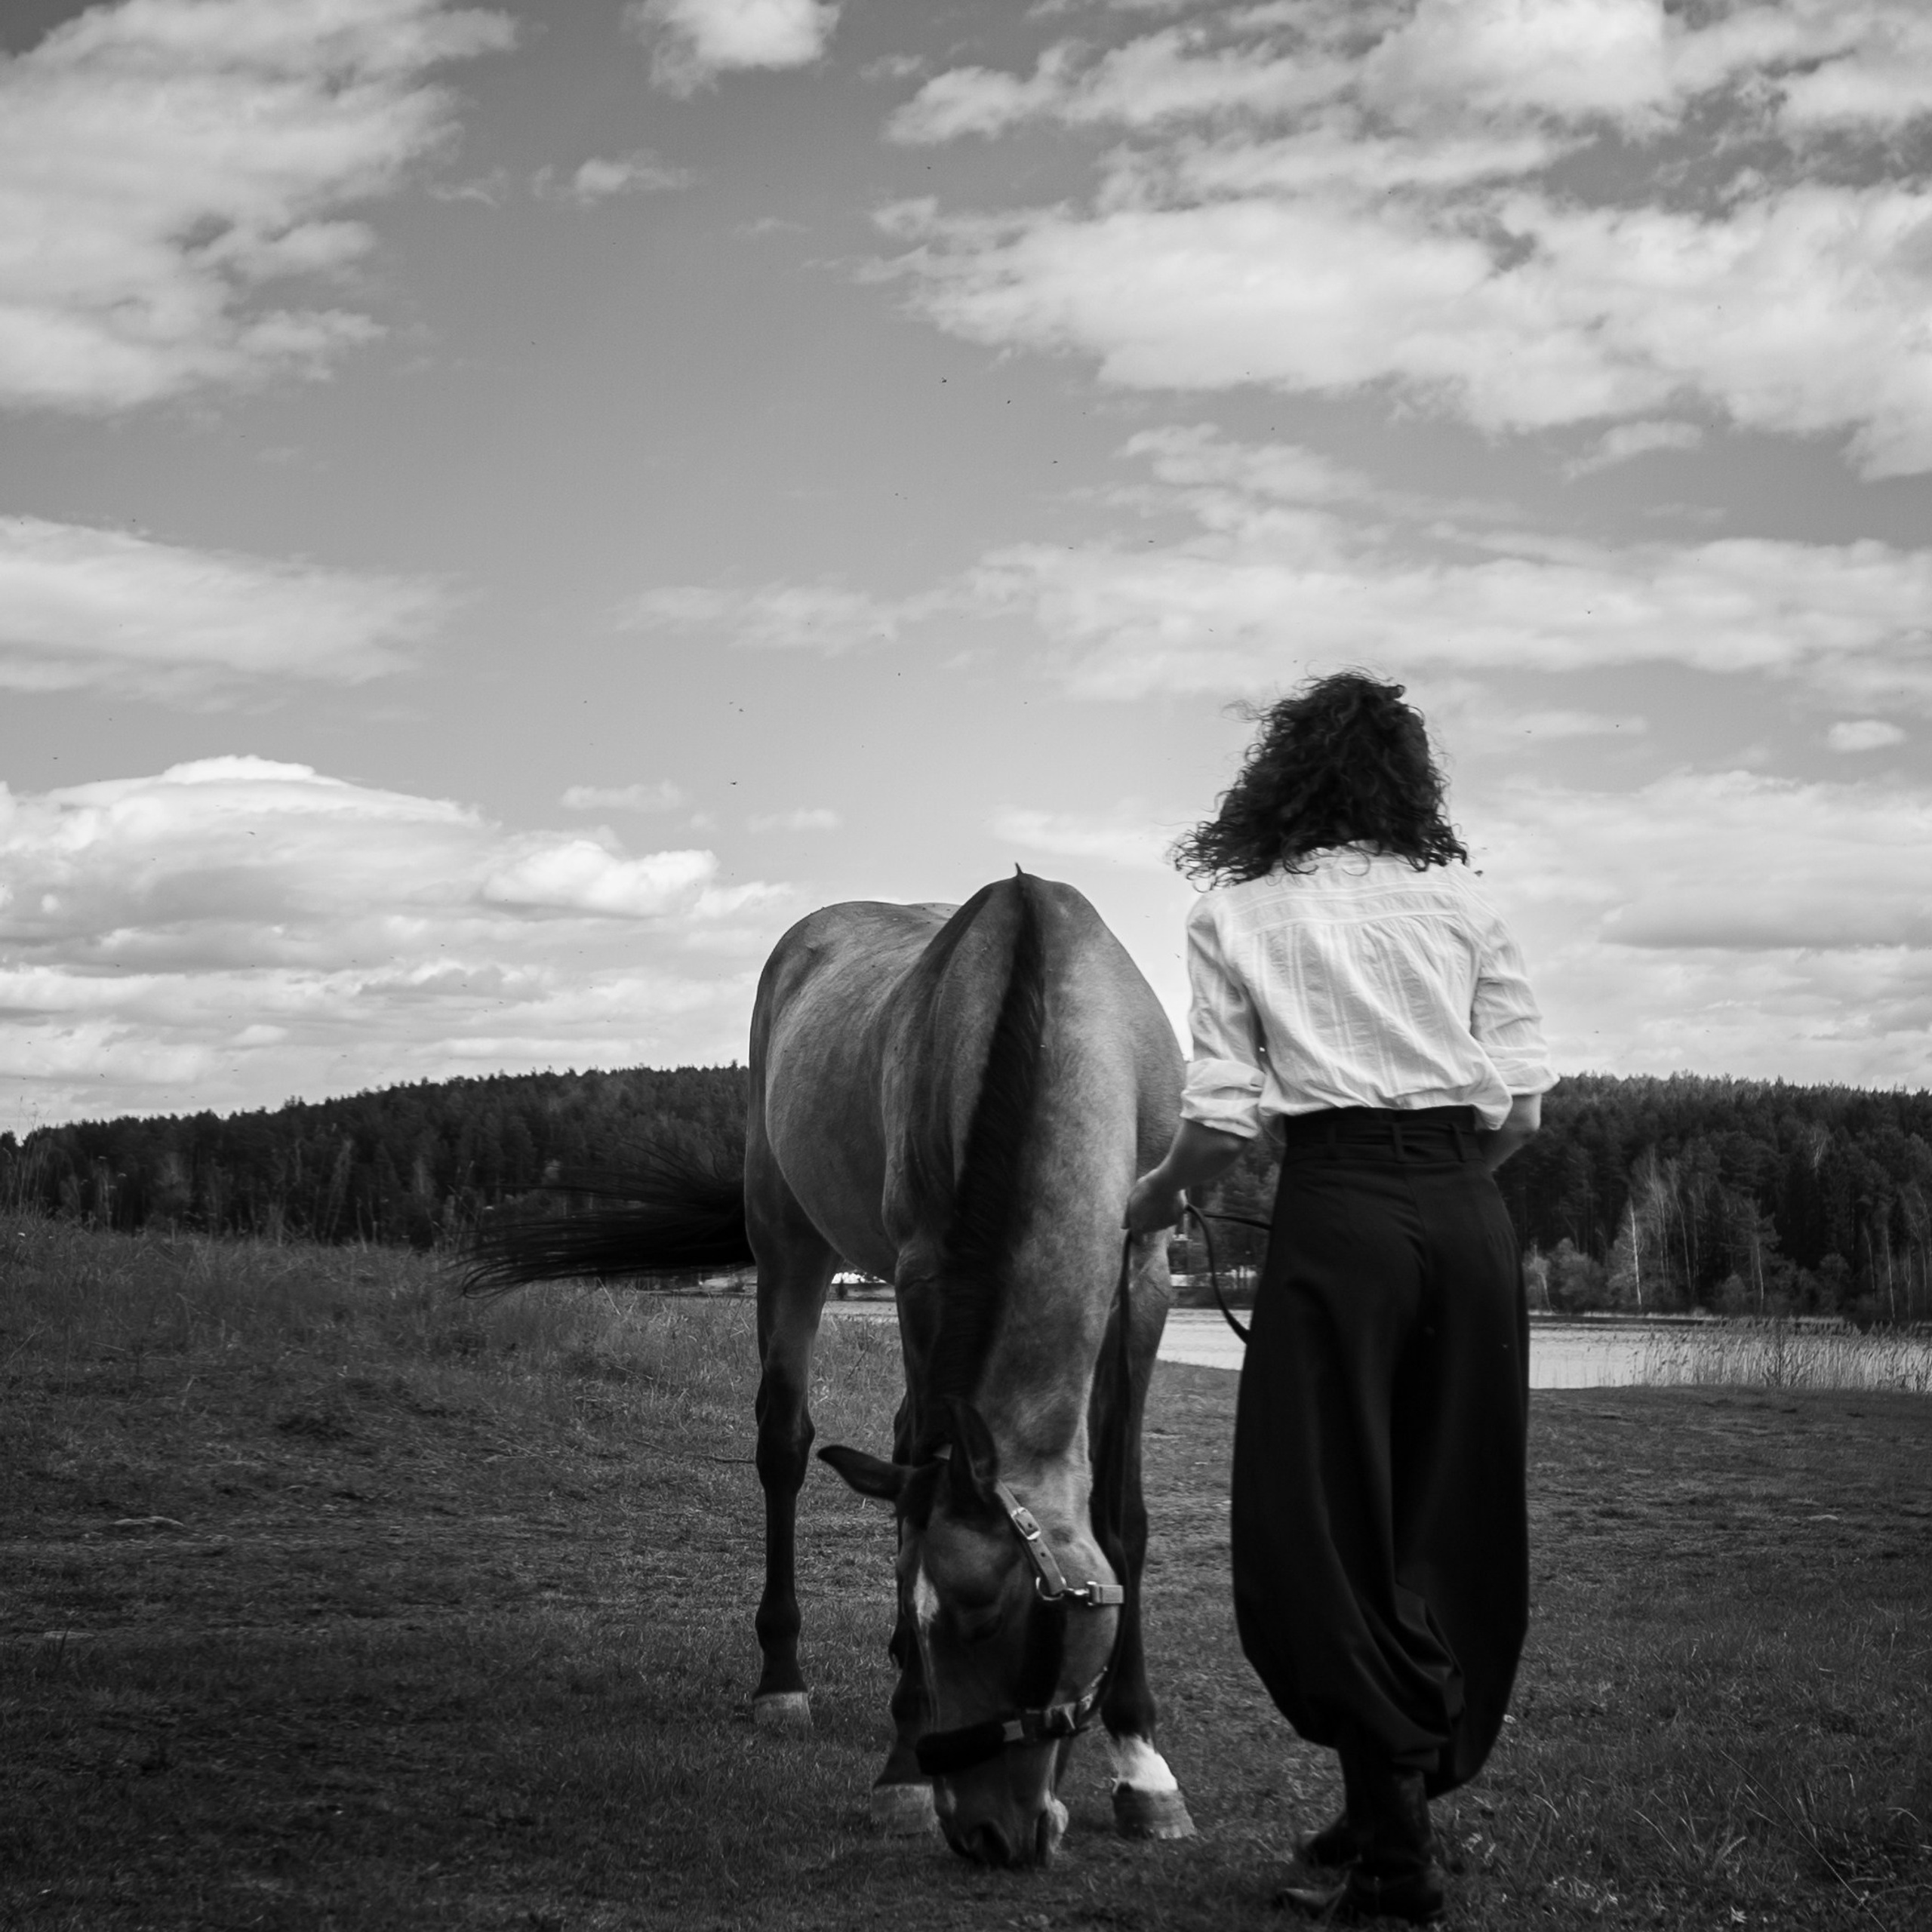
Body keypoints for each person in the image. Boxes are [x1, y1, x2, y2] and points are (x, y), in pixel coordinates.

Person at [1125, 672, 1554, 1924]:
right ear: (1408, 781)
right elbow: (1521, 1110)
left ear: (1278, 779)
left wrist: (1148, 1204)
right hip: (1469, 1220)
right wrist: (1441, 1189)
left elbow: (1218, 1124)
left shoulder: (1236, 913)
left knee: (1319, 1524)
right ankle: (1392, 1806)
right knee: (1448, 1508)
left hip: (1337, 1213)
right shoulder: (1466, 905)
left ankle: (1395, 1864)